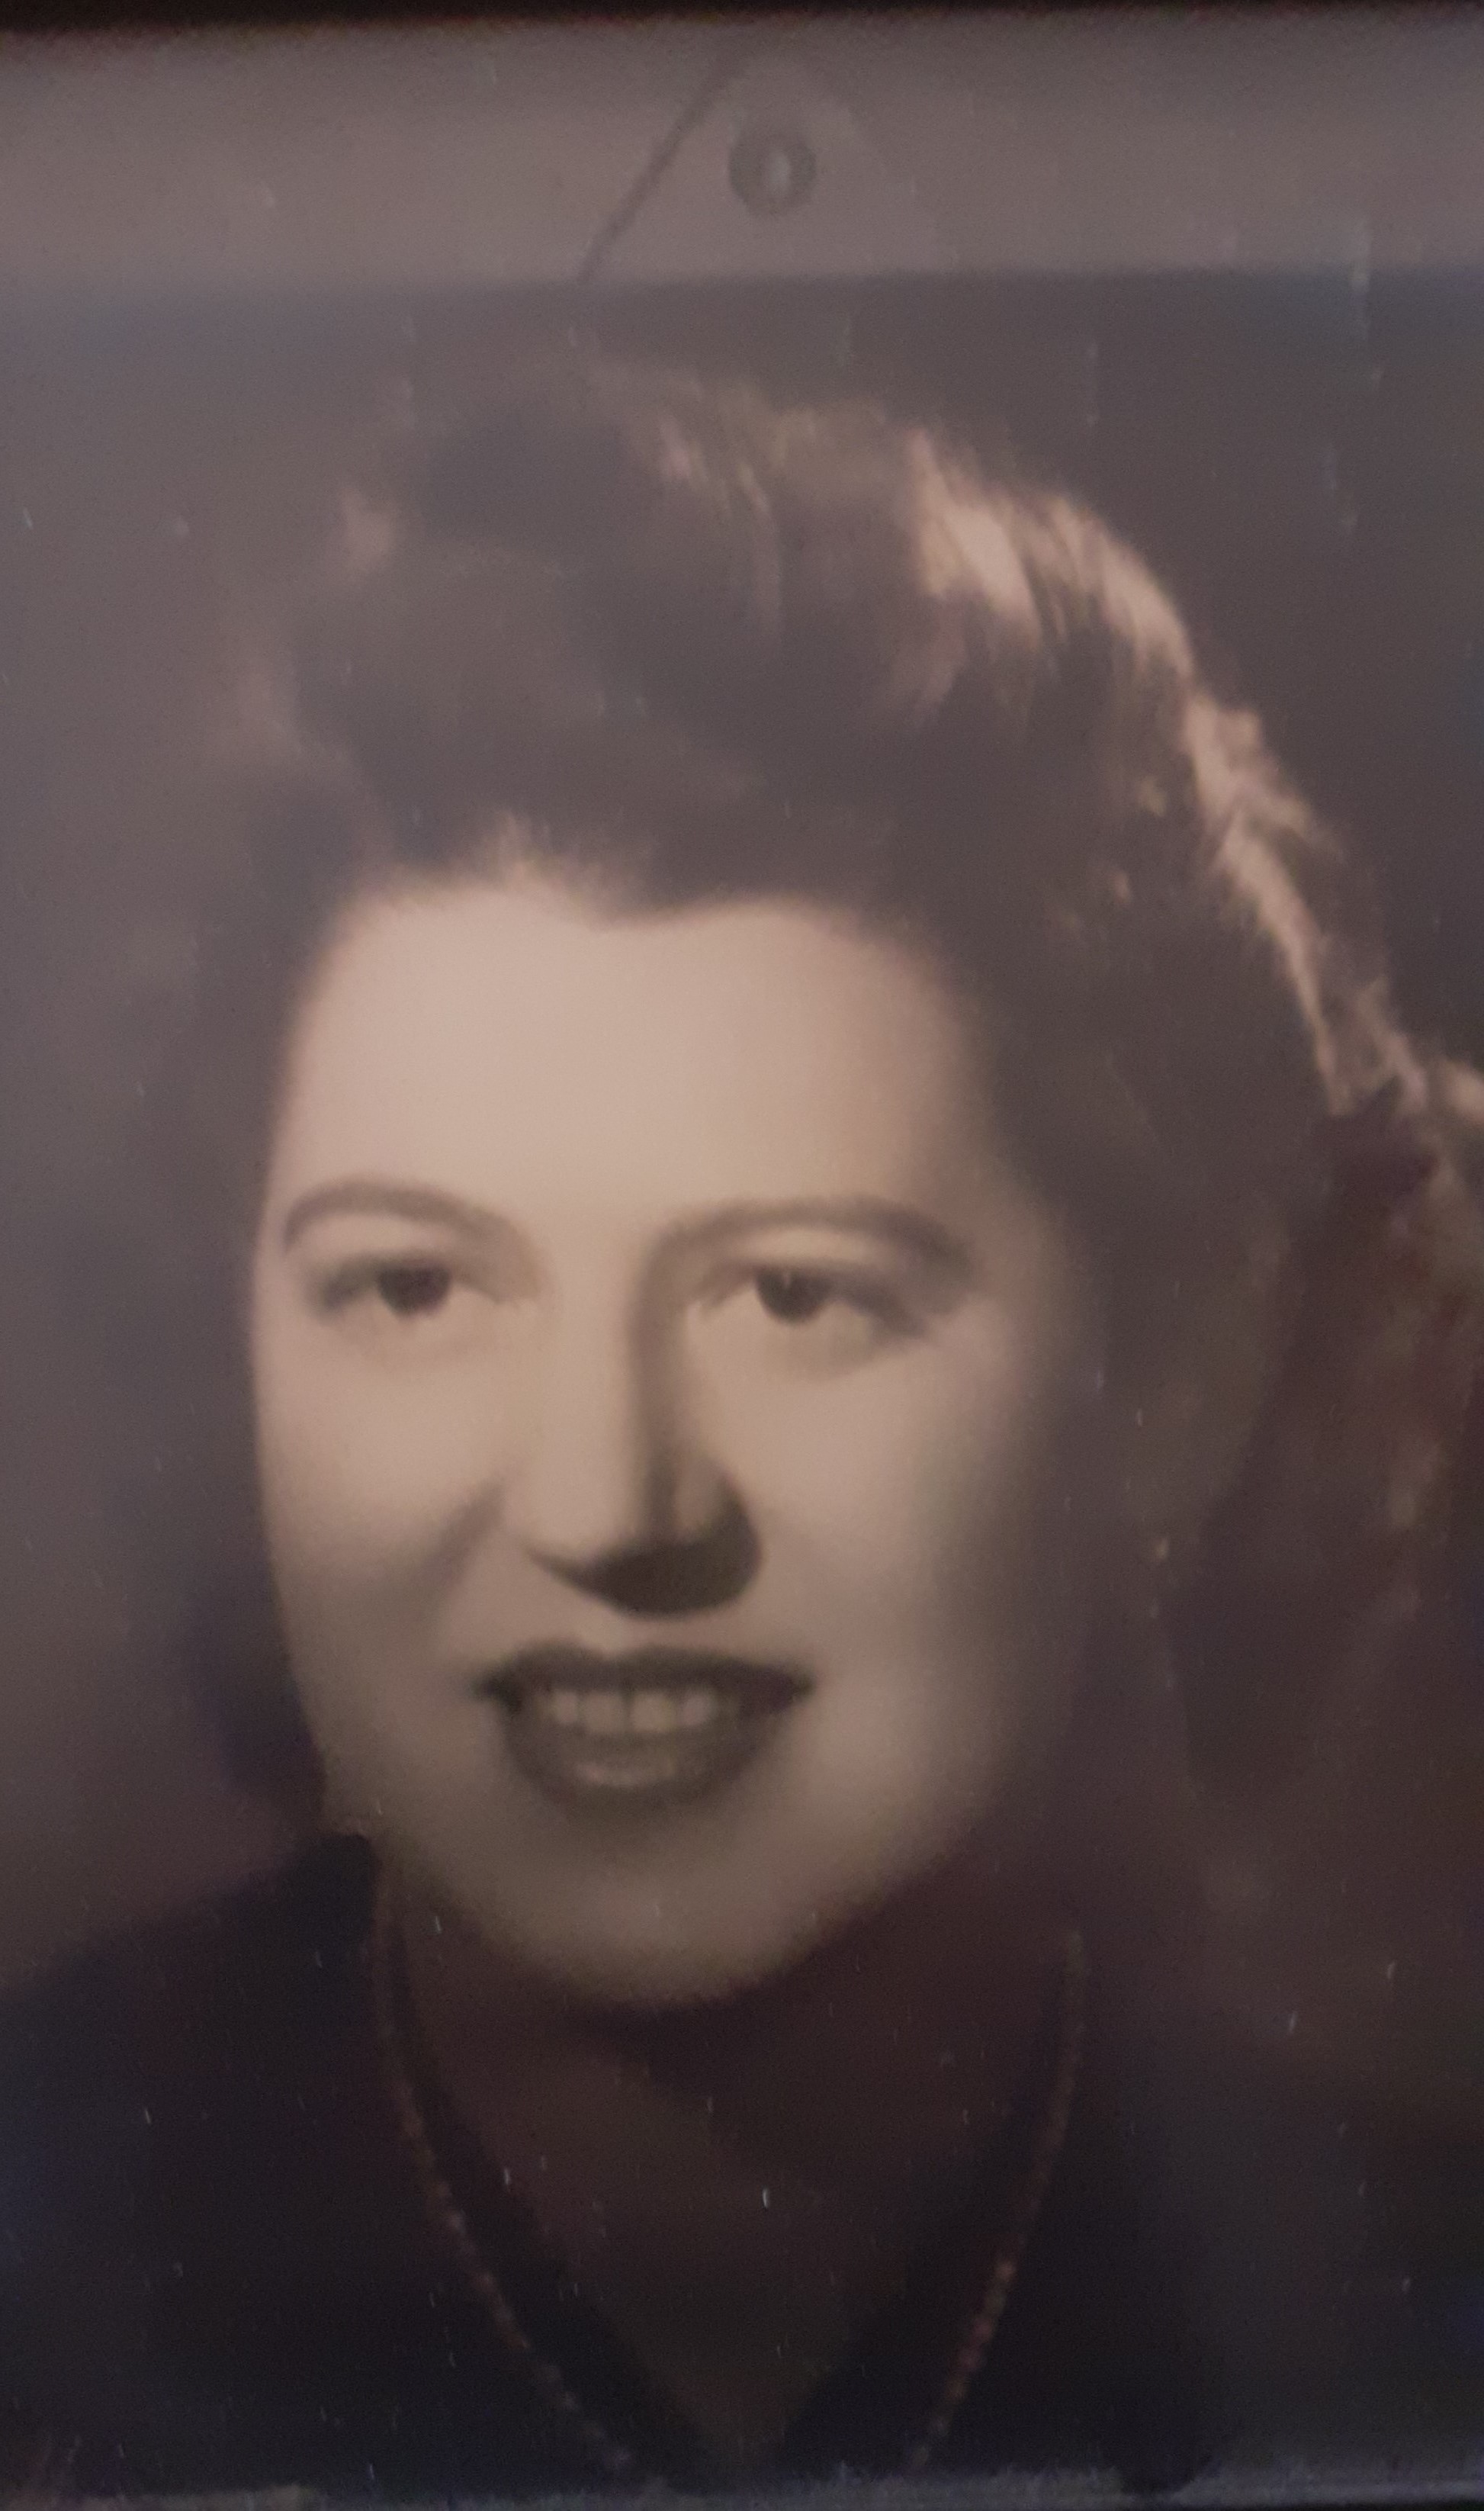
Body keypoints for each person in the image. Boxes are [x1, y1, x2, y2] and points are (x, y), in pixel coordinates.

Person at [4, 354, 1483, 2498]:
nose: (606, 1504)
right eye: (413, 1289)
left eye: (796, 1295)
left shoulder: (1414, 2326)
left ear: (1166, 1382)